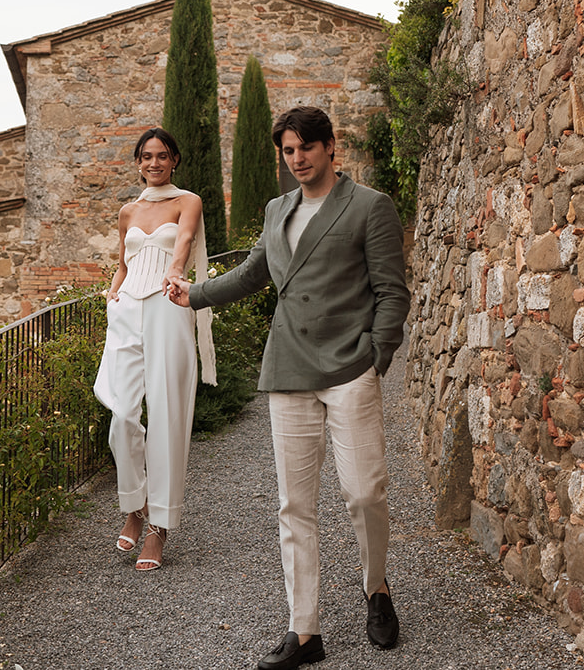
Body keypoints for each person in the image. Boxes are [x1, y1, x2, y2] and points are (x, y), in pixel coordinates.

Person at [168, 105, 408, 669]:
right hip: (289, 369)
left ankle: (376, 588)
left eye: (306, 148)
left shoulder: (370, 206)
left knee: (364, 491)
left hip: (351, 366)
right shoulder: (278, 210)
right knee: (294, 504)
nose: (296, 159)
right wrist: (194, 294)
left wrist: (378, 355)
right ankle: (305, 630)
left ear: (330, 148)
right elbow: (255, 274)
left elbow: (392, 291)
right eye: (288, 151)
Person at [92, 126, 217, 571]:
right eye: (146, 156)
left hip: (168, 305)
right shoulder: (127, 211)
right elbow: (122, 264)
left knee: (166, 415)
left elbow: (182, 243)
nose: (154, 163)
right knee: (122, 414)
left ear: (175, 159)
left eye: (162, 155)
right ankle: (133, 507)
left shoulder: (189, 202)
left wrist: (177, 269)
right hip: (126, 312)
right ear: (138, 161)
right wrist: (112, 295)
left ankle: (159, 527)